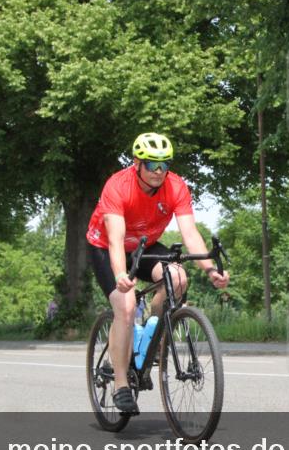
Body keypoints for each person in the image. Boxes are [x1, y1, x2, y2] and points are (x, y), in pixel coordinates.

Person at [87, 132, 229, 415]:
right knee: (126, 306)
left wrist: (210, 269)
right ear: (137, 163)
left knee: (178, 278)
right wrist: (120, 275)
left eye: (165, 164)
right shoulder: (118, 186)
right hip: (107, 247)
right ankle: (120, 385)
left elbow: (189, 232)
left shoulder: (175, 186)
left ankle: (152, 336)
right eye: (152, 165)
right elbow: (115, 240)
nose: (159, 171)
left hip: (146, 245)